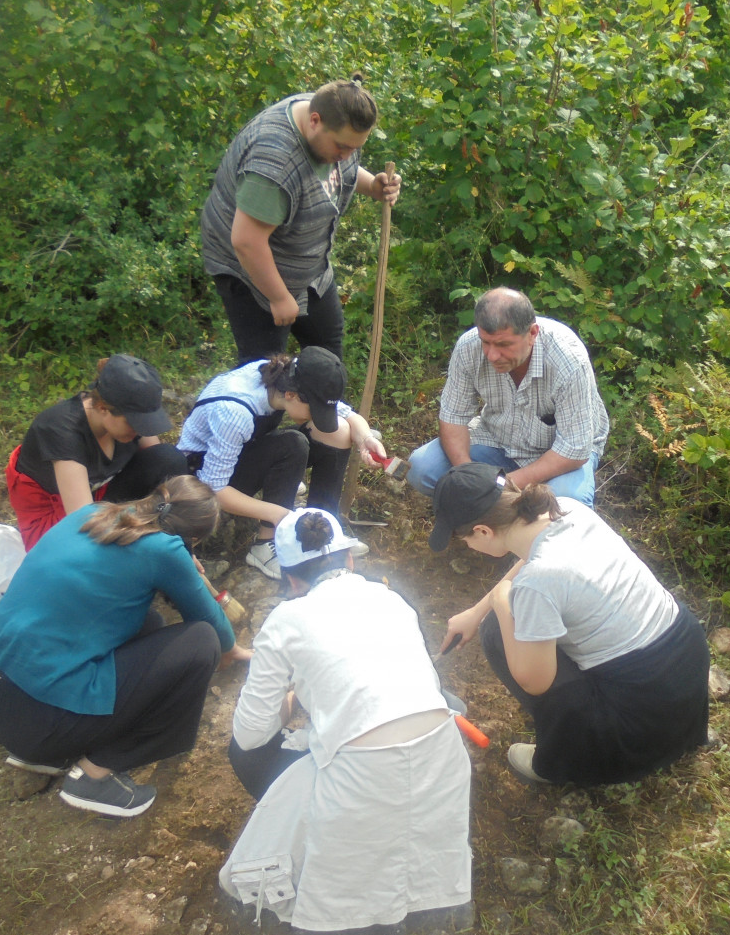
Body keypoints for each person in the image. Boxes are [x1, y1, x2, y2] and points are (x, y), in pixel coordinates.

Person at [219, 508, 472, 932]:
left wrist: (295, 694)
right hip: (440, 767)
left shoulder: (285, 621)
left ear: (292, 579)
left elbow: (249, 735)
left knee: (242, 753)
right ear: (350, 559)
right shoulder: (392, 599)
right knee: (446, 703)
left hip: (360, 781)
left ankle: (330, 842)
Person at [0, 476, 238, 818]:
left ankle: (50, 753)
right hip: (36, 720)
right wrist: (233, 650)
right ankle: (96, 774)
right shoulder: (164, 549)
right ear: (194, 538)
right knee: (200, 642)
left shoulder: (94, 513)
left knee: (148, 624)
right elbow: (214, 628)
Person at [431, 463, 709, 786]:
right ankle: (680, 736)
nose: (466, 545)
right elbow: (530, 561)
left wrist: (498, 603)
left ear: (482, 531)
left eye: (462, 538)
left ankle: (564, 756)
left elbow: (535, 680)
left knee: (498, 629)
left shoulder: (537, 583)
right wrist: (477, 610)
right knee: (510, 613)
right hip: (685, 670)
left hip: (637, 721)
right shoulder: (568, 510)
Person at [200, 75, 402, 365]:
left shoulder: (332, 117)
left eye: (355, 149)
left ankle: (326, 408)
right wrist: (279, 297)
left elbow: (330, 171)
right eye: (343, 147)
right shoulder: (273, 163)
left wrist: (372, 185)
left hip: (309, 266)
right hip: (252, 271)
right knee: (269, 370)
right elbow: (246, 242)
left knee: (327, 352)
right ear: (314, 121)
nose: (347, 157)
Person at [176, 347, 383, 579]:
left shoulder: (290, 374)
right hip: (199, 478)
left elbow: (347, 415)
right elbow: (213, 488)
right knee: (293, 444)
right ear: (291, 396)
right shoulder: (234, 412)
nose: (316, 416)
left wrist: (366, 440)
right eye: (314, 410)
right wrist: (281, 515)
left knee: (340, 430)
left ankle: (324, 528)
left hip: (244, 449)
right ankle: (266, 543)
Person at [407, 287, 609, 506]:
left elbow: (574, 449)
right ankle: (480, 518)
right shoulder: (468, 347)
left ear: (532, 333)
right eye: (486, 342)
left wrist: (498, 485)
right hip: (497, 439)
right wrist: (468, 476)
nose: (492, 355)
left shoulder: (568, 360)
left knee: (568, 504)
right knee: (421, 468)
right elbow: (453, 417)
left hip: (557, 456)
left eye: (504, 345)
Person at [5, 354, 187, 550]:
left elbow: (162, 465)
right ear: (102, 408)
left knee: (169, 458)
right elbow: (84, 521)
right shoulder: (61, 431)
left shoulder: (123, 419)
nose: (140, 430)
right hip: (59, 520)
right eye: (134, 423)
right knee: (107, 550)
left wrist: (180, 541)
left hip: (100, 499)